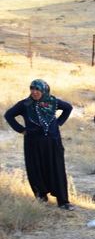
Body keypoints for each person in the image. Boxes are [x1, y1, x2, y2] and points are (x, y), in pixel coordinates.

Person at [4, 79, 75, 210]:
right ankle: (41, 197)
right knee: (35, 170)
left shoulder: (53, 102)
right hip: (33, 143)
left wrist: (58, 123)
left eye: (37, 89)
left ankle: (63, 201)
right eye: (32, 89)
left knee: (57, 169)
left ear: (44, 90)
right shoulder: (25, 104)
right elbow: (8, 115)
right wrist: (22, 130)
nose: (34, 92)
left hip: (53, 142)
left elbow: (68, 108)